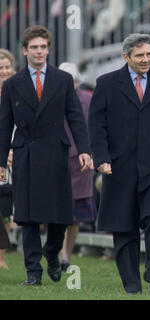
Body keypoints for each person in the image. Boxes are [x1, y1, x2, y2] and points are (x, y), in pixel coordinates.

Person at [88, 33, 150, 295]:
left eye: (149, 54)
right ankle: (131, 285)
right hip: (119, 169)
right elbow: (96, 128)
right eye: (140, 55)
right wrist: (102, 159)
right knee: (124, 228)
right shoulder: (106, 84)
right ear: (126, 57)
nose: (146, 60)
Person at [0, 25, 91, 286]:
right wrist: (0, 161)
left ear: (48, 49)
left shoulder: (62, 80)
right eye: (34, 47)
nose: (39, 52)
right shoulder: (13, 84)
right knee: (27, 217)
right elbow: (5, 124)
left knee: (59, 215)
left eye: (43, 47)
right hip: (25, 154)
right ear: (25, 50)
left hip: (56, 153)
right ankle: (33, 273)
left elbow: (75, 117)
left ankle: (52, 253)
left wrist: (84, 150)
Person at [57, 62, 96, 271]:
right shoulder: (49, 99)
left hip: (81, 164)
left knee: (76, 214)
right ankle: (58, 251)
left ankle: (66, 253)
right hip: (55, 161)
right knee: (57, 211)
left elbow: (96, 128)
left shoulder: (88, 100)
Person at [0, 48, 15, 270]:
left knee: (6, 212)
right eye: (0, 68)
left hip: (15, 157)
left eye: (6, 67)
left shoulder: (18, 91)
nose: (4, 71)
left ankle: (1, 256)